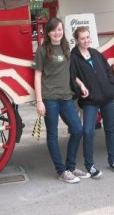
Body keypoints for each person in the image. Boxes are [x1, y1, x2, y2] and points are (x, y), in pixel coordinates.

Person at [33, 17, 89, 183]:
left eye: (60, 29)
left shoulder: (66, 47)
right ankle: (61, 170)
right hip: (50, 98)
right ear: (48, 32)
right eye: (54, 30)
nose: (57, 33)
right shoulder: (42, 50)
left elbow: (70, 72)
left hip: (66, 97)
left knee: (78, 130)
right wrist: (39, 101)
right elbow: (37, 75)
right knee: (52, 135)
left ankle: (70, 166)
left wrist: (80, 84)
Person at [70, 26, 114, 178]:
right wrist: (81, 88)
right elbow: (72, 76)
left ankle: (113, 160)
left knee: (110, 129)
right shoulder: (74, 57)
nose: (86, 40)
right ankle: (90, 165)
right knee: (88, 131)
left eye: (88, 37)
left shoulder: (95, 53)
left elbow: (108, 70)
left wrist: (111, 86)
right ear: (77, 40)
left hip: (106, 97)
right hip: (90, 100)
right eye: (82, 38)